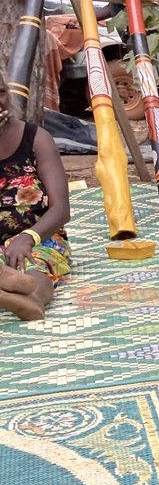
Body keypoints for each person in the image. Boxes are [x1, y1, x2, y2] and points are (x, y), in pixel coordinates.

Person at [0, 71, 72, 321]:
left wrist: (28, 238)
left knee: (36, 264)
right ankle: (6, 287)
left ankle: (31, 299)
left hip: (37, 237)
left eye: (1, 93)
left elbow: (61, 209)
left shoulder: (36, 138)